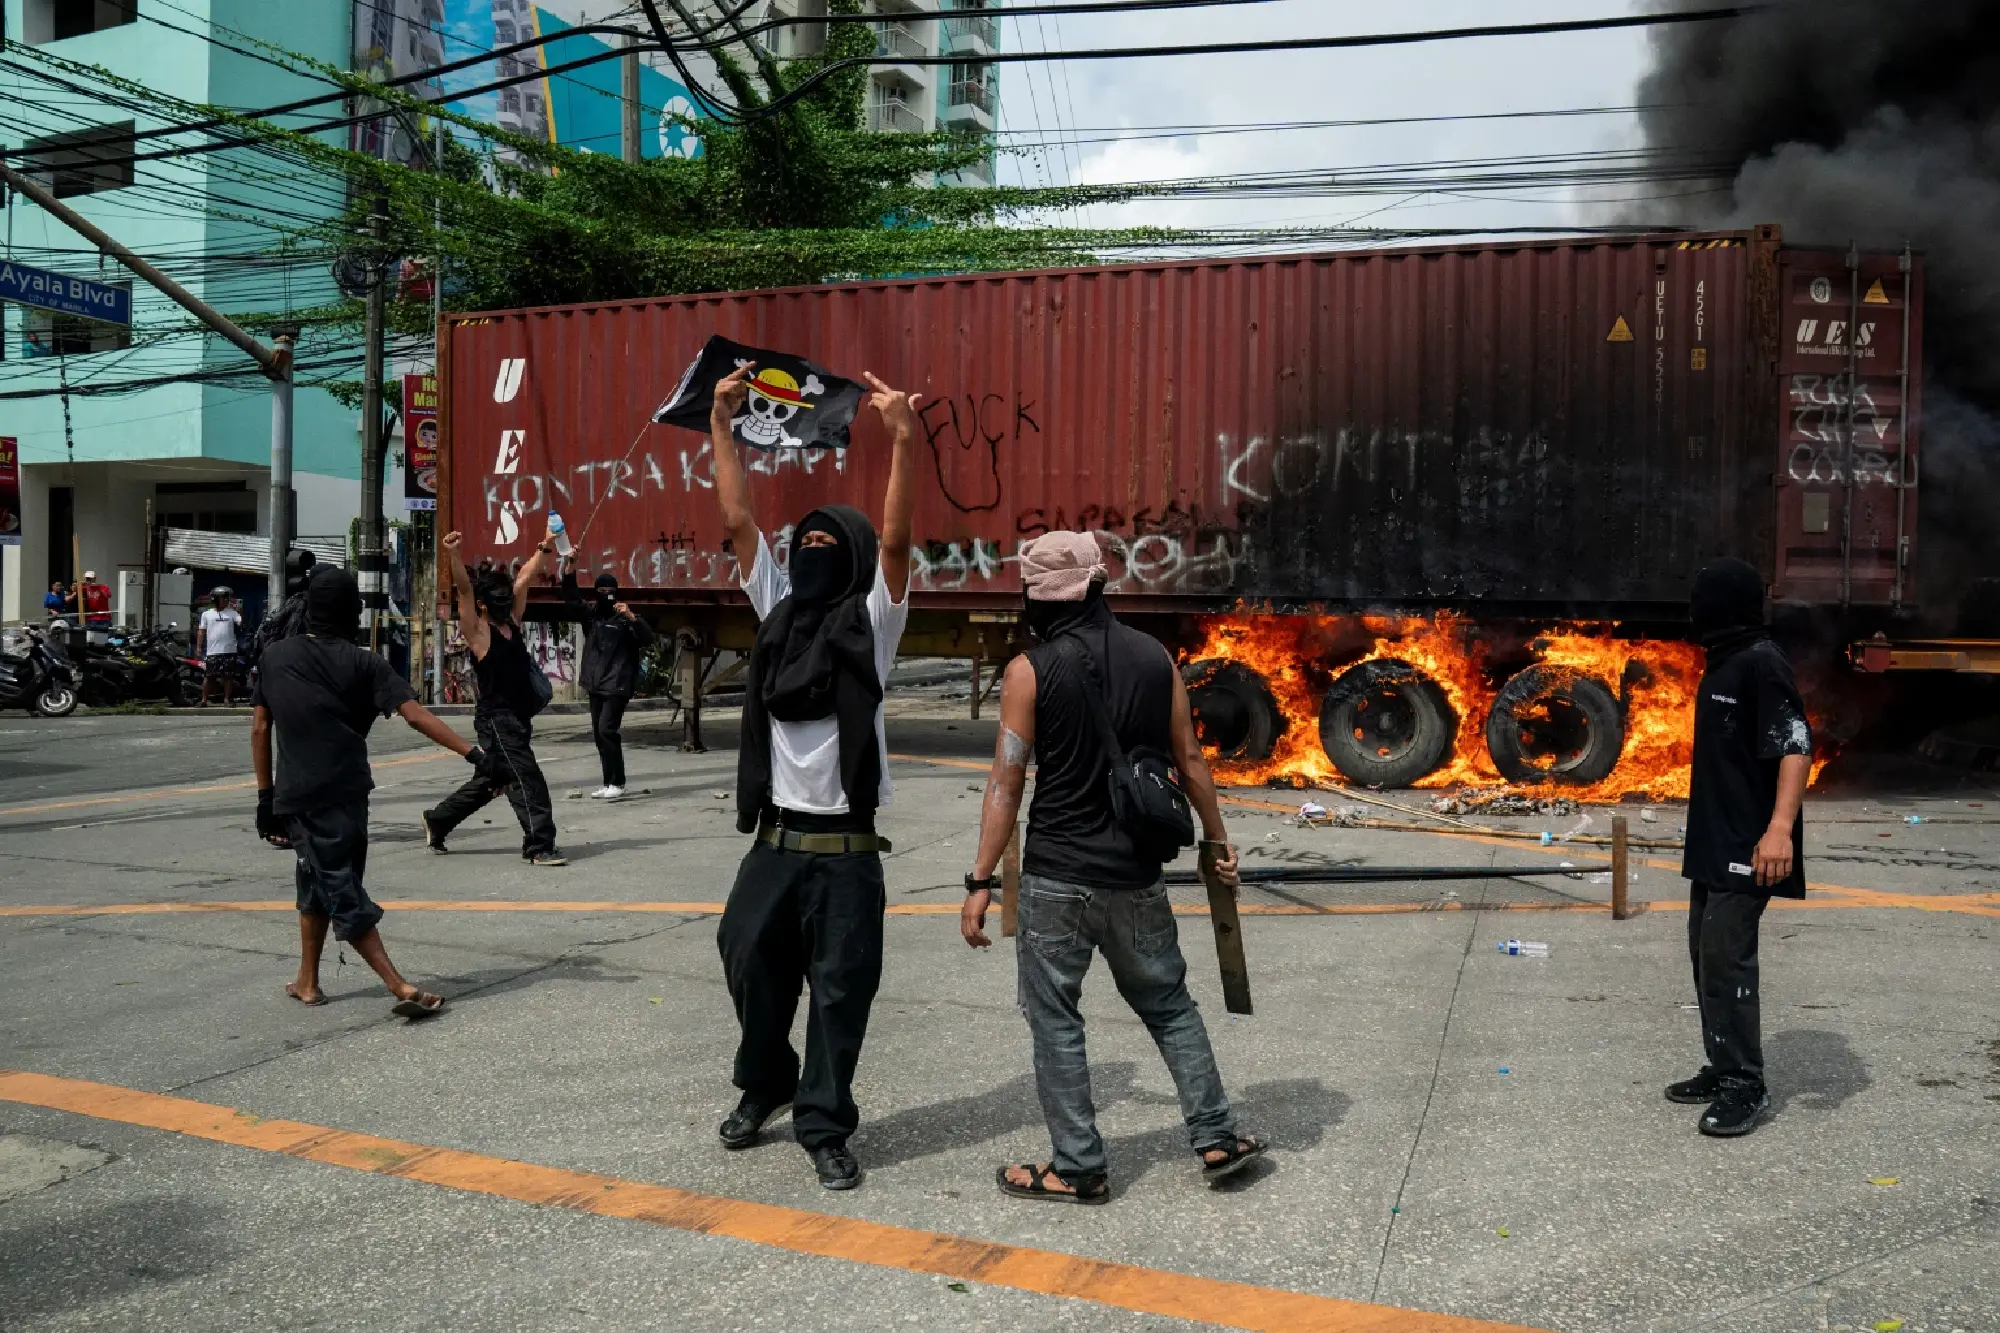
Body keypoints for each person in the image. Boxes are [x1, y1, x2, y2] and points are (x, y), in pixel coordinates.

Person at [961, 531, 1264, 1204]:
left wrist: (980, 882)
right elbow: (1190, 760)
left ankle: (1077, 1165)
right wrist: (1217, 844)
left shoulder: (1027, 671)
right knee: (1169, 1003)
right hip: (1136, 874)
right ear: (1100, 582)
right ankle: (1215, 1134)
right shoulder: (1156, 658)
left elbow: (1006, 783)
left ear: (1036, 598)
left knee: (1056, 1018)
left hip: (1056, 878)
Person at [710, 363, 920, 1192]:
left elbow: (898, 543)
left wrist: (902, 438)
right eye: (805, 546)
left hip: (846, 853)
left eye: (831, 547)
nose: (813, 555)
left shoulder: (873, 624)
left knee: (841, 995)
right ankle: (766, 1081)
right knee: (744, 956)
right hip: (775, 842)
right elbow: (736, 522)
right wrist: (722, 425)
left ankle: (825, 1123)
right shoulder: (779, 615)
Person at [252, 567, 501, 1015]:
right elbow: (417, 715)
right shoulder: (365, 663)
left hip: (302, 796)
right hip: (349, 795)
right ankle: (388, 984)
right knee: (328, 882)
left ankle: (322, 982)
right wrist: (474, 755)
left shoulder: (275, 656)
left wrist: (264, 799)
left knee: (329, 882)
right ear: (353, 613)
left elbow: (260, 727)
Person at [1671, 556, 1813, 1138]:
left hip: (1751, 845)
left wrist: (1779, 829)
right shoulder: (1723, 663)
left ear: (1725, 606)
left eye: (1702, 601)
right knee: (1705, 956)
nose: (1693, 613)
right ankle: (1721, 1063)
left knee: (1728, 959)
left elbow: (1796, 746)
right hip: (1714, 839)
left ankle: (1743, 1086)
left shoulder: (1761, 664)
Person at [422, 525, 564, 866]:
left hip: (518, 717)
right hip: (496, 720)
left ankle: (439, 819)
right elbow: (464, 590)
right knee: (526, 778)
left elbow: (526, 576)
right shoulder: (478, 630)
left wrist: (546, 545)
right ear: (484, 604)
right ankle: (540, 845)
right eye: (496, 598)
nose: (506, 601)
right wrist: (453, 554)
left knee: (494, 778)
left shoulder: (511, 621)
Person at [560, 564, 655, 799]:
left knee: (607, 730)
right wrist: (570, 571)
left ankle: (618, 782)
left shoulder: (625, 618)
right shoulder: (591, 616)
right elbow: (572, 599)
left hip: (617, 684)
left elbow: (647, 638)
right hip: (595, 683)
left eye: (610, 590)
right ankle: (608, 782)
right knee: (598, 734)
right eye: (601, 590)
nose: (606, 594)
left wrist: (632, 617)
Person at [197, 585, 245, 706]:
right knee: (209, 676)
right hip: (212, 651)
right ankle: (203, 700)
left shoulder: (232, 613)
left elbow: (240, 623)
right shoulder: (206, 614)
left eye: (227, 598)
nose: (227, 601)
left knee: (228, 677)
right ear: (216, 599)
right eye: (224, 598)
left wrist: (240, 612)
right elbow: (201, 631)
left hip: (229, 650)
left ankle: (226, 700)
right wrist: (198, 647)